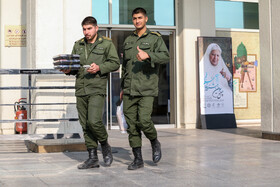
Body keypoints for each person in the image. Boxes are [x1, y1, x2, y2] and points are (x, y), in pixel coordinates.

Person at [61, 16, 120, 169]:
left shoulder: (106, 44)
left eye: (89, 29)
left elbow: (115, 63)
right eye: (84, 29)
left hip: (97, 88)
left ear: (96, 28)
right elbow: (75, 67)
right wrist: (68, 70)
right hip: (81, 89)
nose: (86, 32)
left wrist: (99, 67)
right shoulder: (78, 45)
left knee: (94, 121)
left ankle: (105, 144)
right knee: (85, 124)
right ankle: (92, 157)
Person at [120, 7, 170, 170]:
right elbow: (125, 67)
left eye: (140, 18)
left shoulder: (155, 38)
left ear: (146, 19)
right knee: (132, 125)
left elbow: (166, 57)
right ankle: (138, 158)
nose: (137, 21)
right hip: (129, 89)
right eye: (134, 18)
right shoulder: (128, 41)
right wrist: (122, 87)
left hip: (146, 89)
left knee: (144, 120)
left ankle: (154, 141)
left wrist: (149, 56)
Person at [199, 43, 233, 114]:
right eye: (213, 55)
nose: (215, 58)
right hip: (208, 108)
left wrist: (228, 79)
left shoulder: (223, 70)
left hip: (224, 109)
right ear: (208, 55)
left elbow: (233, 91)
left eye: (218, 55)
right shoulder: (202, 68)